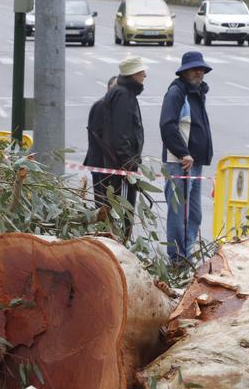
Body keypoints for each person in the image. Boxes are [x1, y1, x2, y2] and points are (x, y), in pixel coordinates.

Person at [159, 51, 214, 265]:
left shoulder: (197, 93)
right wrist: (183, 152)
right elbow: (167, 125)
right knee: (178, 214)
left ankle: (187, 252)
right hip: (180, 163)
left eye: (202, 69)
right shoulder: (177, 93)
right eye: (195, 69)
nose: (199, 72)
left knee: (194, 214)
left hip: (195, 164)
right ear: (184, 72)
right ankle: (177, 257)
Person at [93, 56, 147, 237]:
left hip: (118, 165)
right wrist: (129, 165)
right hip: (121, 168)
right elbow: (122, 134)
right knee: (123, 211)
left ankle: (117, 241)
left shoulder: (122, 93)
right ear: (133, 74)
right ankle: (121, 244)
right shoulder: (123, 95)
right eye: (141, 72)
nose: (144, 75)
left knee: (117, 211)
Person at [84, 75, 119, 210]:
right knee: (103, 205)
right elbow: (98, 138)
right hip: (101, 164)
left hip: (110, 164)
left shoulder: (116, 106)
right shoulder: (101, 106)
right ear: (109, 88)